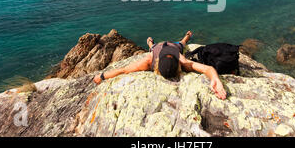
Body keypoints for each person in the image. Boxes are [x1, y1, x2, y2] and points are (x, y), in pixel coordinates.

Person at [93, 31, 227, 100]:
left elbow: (123, 70)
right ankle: (186, 36)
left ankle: (152, 42)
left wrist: (102, 76)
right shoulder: (180, 59)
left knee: (157, 46)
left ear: (156, 65)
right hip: (172, 46)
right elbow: (207, 69)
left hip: (160, 47)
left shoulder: (151, 59)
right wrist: (215, 79)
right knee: (181, 43)